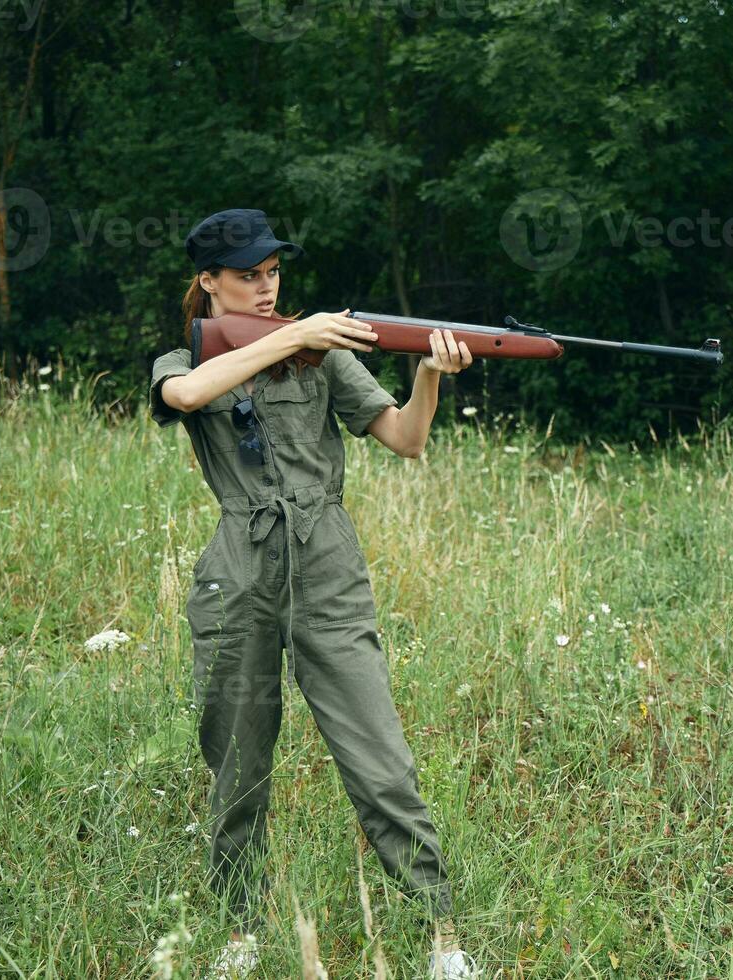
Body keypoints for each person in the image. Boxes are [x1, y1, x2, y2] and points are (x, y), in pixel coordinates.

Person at [148, 208, 482, 979]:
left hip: (326, 559)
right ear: (208, 282)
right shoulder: (192, 355)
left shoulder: (322, 350)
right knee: (237, 763)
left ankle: (443, 940)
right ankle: (240, 934)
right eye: (247, 276)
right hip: (240, 562)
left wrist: (428, 370)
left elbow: (406, 438)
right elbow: (189, 395)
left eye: (274, 274)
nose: (267, 288)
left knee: (380, 757)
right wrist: (293, 336)